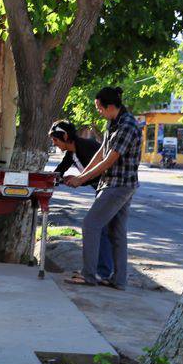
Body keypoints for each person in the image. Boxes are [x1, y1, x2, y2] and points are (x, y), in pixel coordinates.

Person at [63, 87, 141, 290]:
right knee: (117, 232)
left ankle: (89, 275)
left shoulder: (127, 125)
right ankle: (119, 280)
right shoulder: (112, 123)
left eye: (99, 107)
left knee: (90, 224)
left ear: (110, 106)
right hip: (114, 183)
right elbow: (100, 154)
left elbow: (109, 160)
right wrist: (80, 177)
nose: (98, 111)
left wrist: (81, 180)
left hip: (119, 185)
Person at [49, 120, 114, 283]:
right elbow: (60, 170)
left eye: (55, 140)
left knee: (100, 229)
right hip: (102, 190)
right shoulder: (71, 153)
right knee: (105, 230)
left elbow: (97, 172)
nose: (54, 143)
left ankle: (101, 272)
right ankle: (104, 272)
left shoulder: (87, 146)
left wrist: (79, 180)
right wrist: (49, 180)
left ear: (65, 136)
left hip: (110, 189)